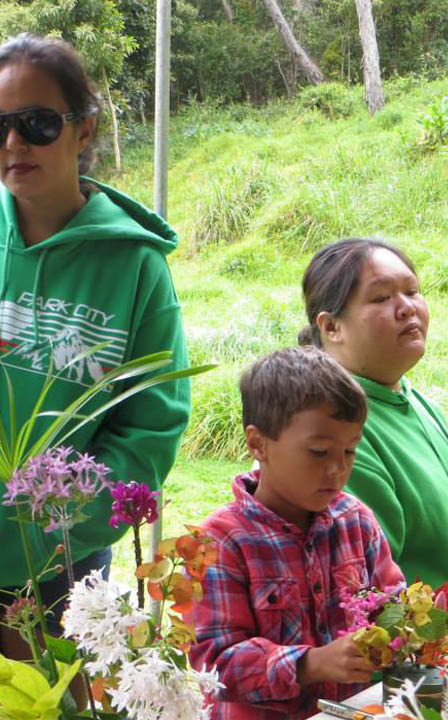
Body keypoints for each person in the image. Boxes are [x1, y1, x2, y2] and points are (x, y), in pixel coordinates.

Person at [0, 33, 189, 656]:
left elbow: (153, 423)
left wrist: (68, 520)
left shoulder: (134, 267)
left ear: (84, 128)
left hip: (62, 568)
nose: (14, 144)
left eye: (38, 123)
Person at [190, 346, 405, 720]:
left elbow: (394, 607)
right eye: (319, 452)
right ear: (258, 443)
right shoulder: (218, 543)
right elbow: (215, 664)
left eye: (350, 451)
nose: (338, 471)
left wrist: (401, 633)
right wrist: (311, 664)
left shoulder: (357, 522)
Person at [299, 238, 447, 587]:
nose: (407, 308)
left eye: (412, 291)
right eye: (382, 298)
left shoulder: (410, 398)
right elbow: (366, 584)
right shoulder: (333, 428)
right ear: (331, 327)